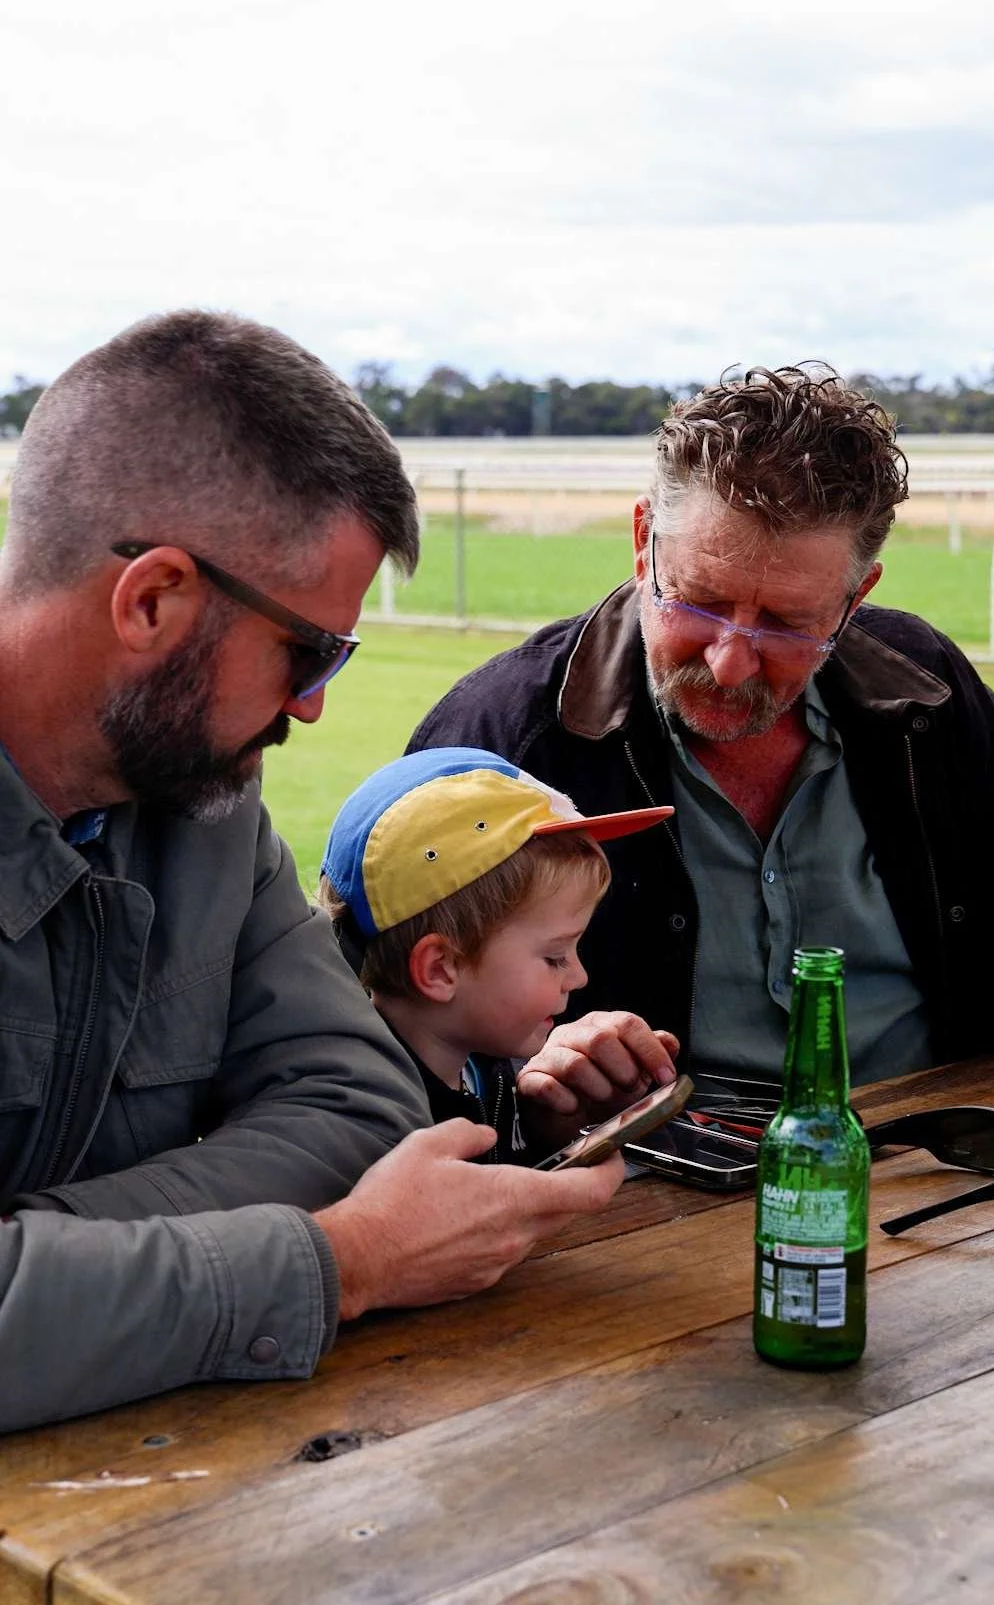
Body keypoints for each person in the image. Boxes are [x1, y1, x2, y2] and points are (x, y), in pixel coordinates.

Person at [0, 311, 628, 1436]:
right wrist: (339, 1260)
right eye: (309, 650)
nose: (314, 706)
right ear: (153, 600)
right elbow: (345, 1195)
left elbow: (353, 1100)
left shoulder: (208, 808)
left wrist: (44, 1266)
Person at [409, 365, 994, 1088]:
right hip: (642, 1186)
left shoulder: (931, 697)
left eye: (788, 624)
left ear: (856, 600)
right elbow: (396, 1041)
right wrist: (530, 1094)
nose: (730, 663)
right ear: (643, 544)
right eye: (698, 603)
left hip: (945, 1158)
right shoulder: (497, 740)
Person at [318, 746, 679, 1158]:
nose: (580, 977)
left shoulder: (477, 1065)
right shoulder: (379, 1127)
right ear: (441, 969)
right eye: (555, 956)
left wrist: (552, 1132)